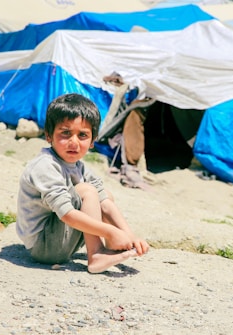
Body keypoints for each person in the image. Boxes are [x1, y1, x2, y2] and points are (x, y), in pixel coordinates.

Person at [16, 93, 149, 273]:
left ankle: (111, 247)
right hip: (43, 247)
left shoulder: (79, 166)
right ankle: (96, 255)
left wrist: (129, 235)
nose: (74, 142)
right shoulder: (45, 166)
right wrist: (109, 231)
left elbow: (105, 203)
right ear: (49, 136)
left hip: (59, 240)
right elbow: (67, 215)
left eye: (83, 135)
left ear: (93, 140)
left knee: (104, 195)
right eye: (65, 133)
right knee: (87, 191)